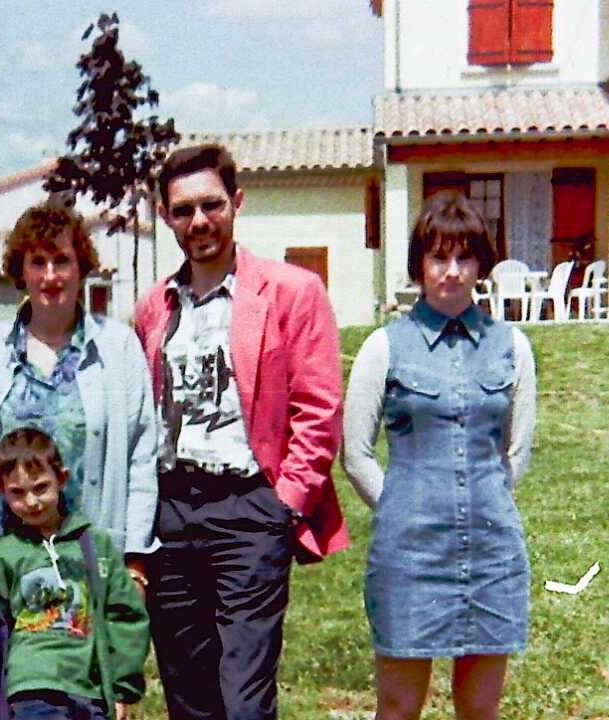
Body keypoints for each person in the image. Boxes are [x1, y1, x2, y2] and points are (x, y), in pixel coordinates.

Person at [132, 143, 351, 720]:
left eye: (212, 205)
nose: (199, 221)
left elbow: (319, 408)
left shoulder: (291, 292)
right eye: (183, 210)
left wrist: (286, 506)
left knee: (244, 696)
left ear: (238, 202)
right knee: (187, 693)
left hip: (251, 508)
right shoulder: (154, 308)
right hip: (172, 515)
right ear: (165, 216)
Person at [341, 191, 537, 720]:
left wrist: (484, 503)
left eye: (465, 258)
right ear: (419, 265)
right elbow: (356, 454)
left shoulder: (513, 346)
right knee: (399, 707)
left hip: (492, 554)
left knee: (480, 709)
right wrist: (402, 506)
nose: (452, 272)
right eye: (438, 258)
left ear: (481, 264)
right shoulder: (383, 347)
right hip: (410, 557)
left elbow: (516, 451)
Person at [0, 203, 158, 626]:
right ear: (20, 271)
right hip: (1, 564)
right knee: (0, 668)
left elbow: (141, 461)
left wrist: (135, 565)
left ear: (82, 267)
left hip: (88, 563)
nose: (50, 276)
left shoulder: (118, 348)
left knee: (79, 666)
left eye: (62, 260)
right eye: (37, 262)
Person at [0, 428, 150, 720]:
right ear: (1, 491)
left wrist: (122, 688)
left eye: (40, 488)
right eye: (17, 493)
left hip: (89, 688)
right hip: (32, 690)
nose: (31, 502)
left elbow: (126, 616)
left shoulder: (95, 545)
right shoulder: (1, 553)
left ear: (61, 479)